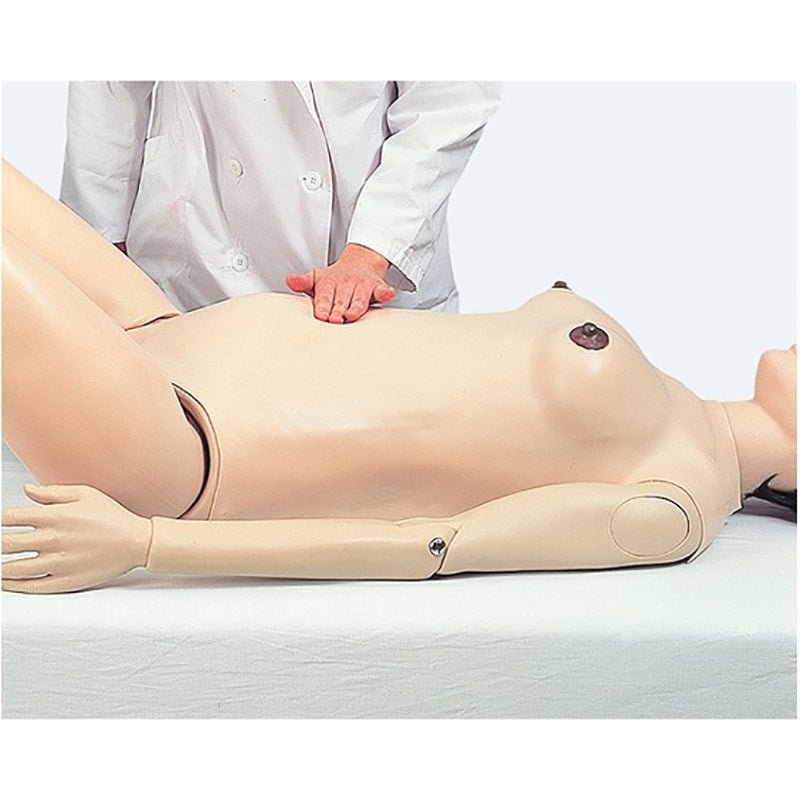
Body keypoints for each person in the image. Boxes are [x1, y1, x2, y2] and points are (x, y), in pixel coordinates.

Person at [2, 162, 796, 594]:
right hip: (161, 328)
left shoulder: (672, 502)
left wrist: (144, 543)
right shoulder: (671, 393)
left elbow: (427, 546)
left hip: (176, 447)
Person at [60, 81, 502, 323]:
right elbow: (107, 86)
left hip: (365, 268)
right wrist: (101, 250)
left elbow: (448, 99)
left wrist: (372, 252)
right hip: (199, 254)